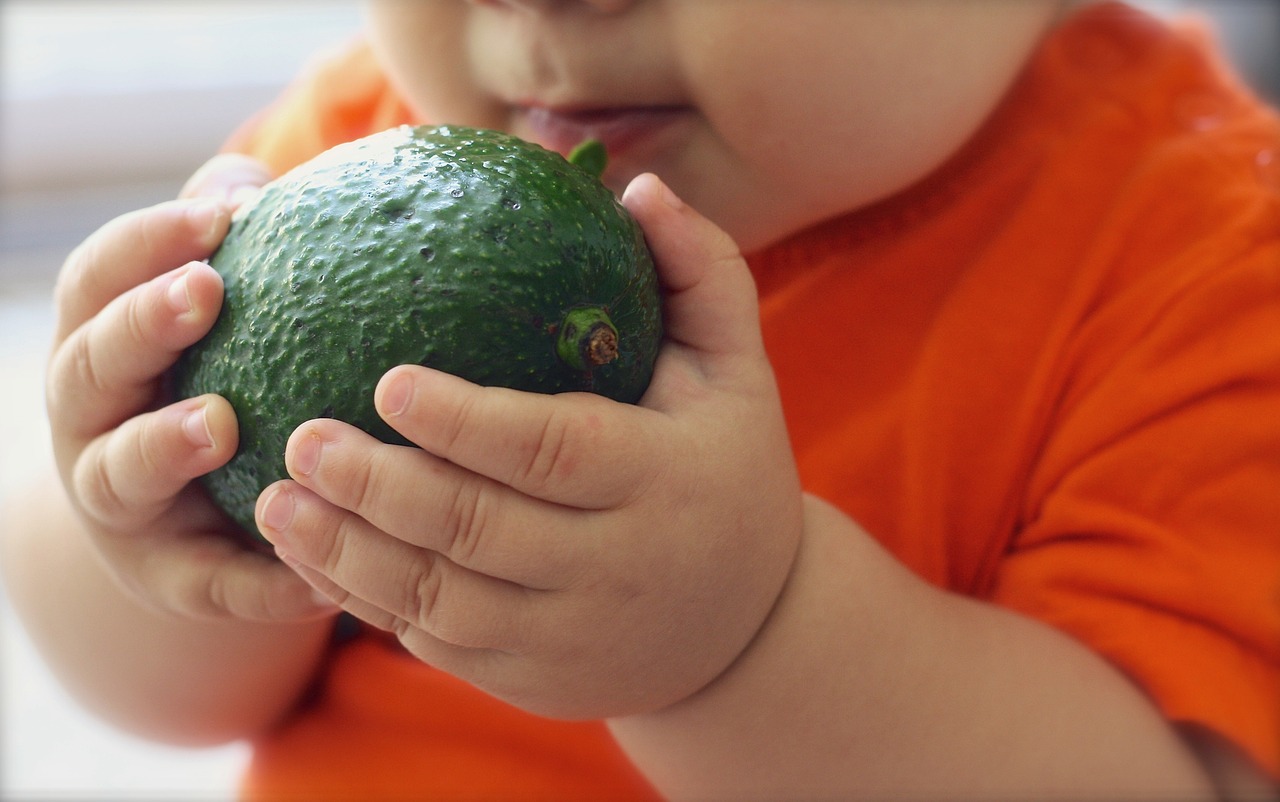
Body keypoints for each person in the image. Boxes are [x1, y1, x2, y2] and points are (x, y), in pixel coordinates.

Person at [2, 0, 1277, 798]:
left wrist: (741, 641)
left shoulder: (1202, 266)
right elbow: (168, 700)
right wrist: (145, 503)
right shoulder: (370, 151)